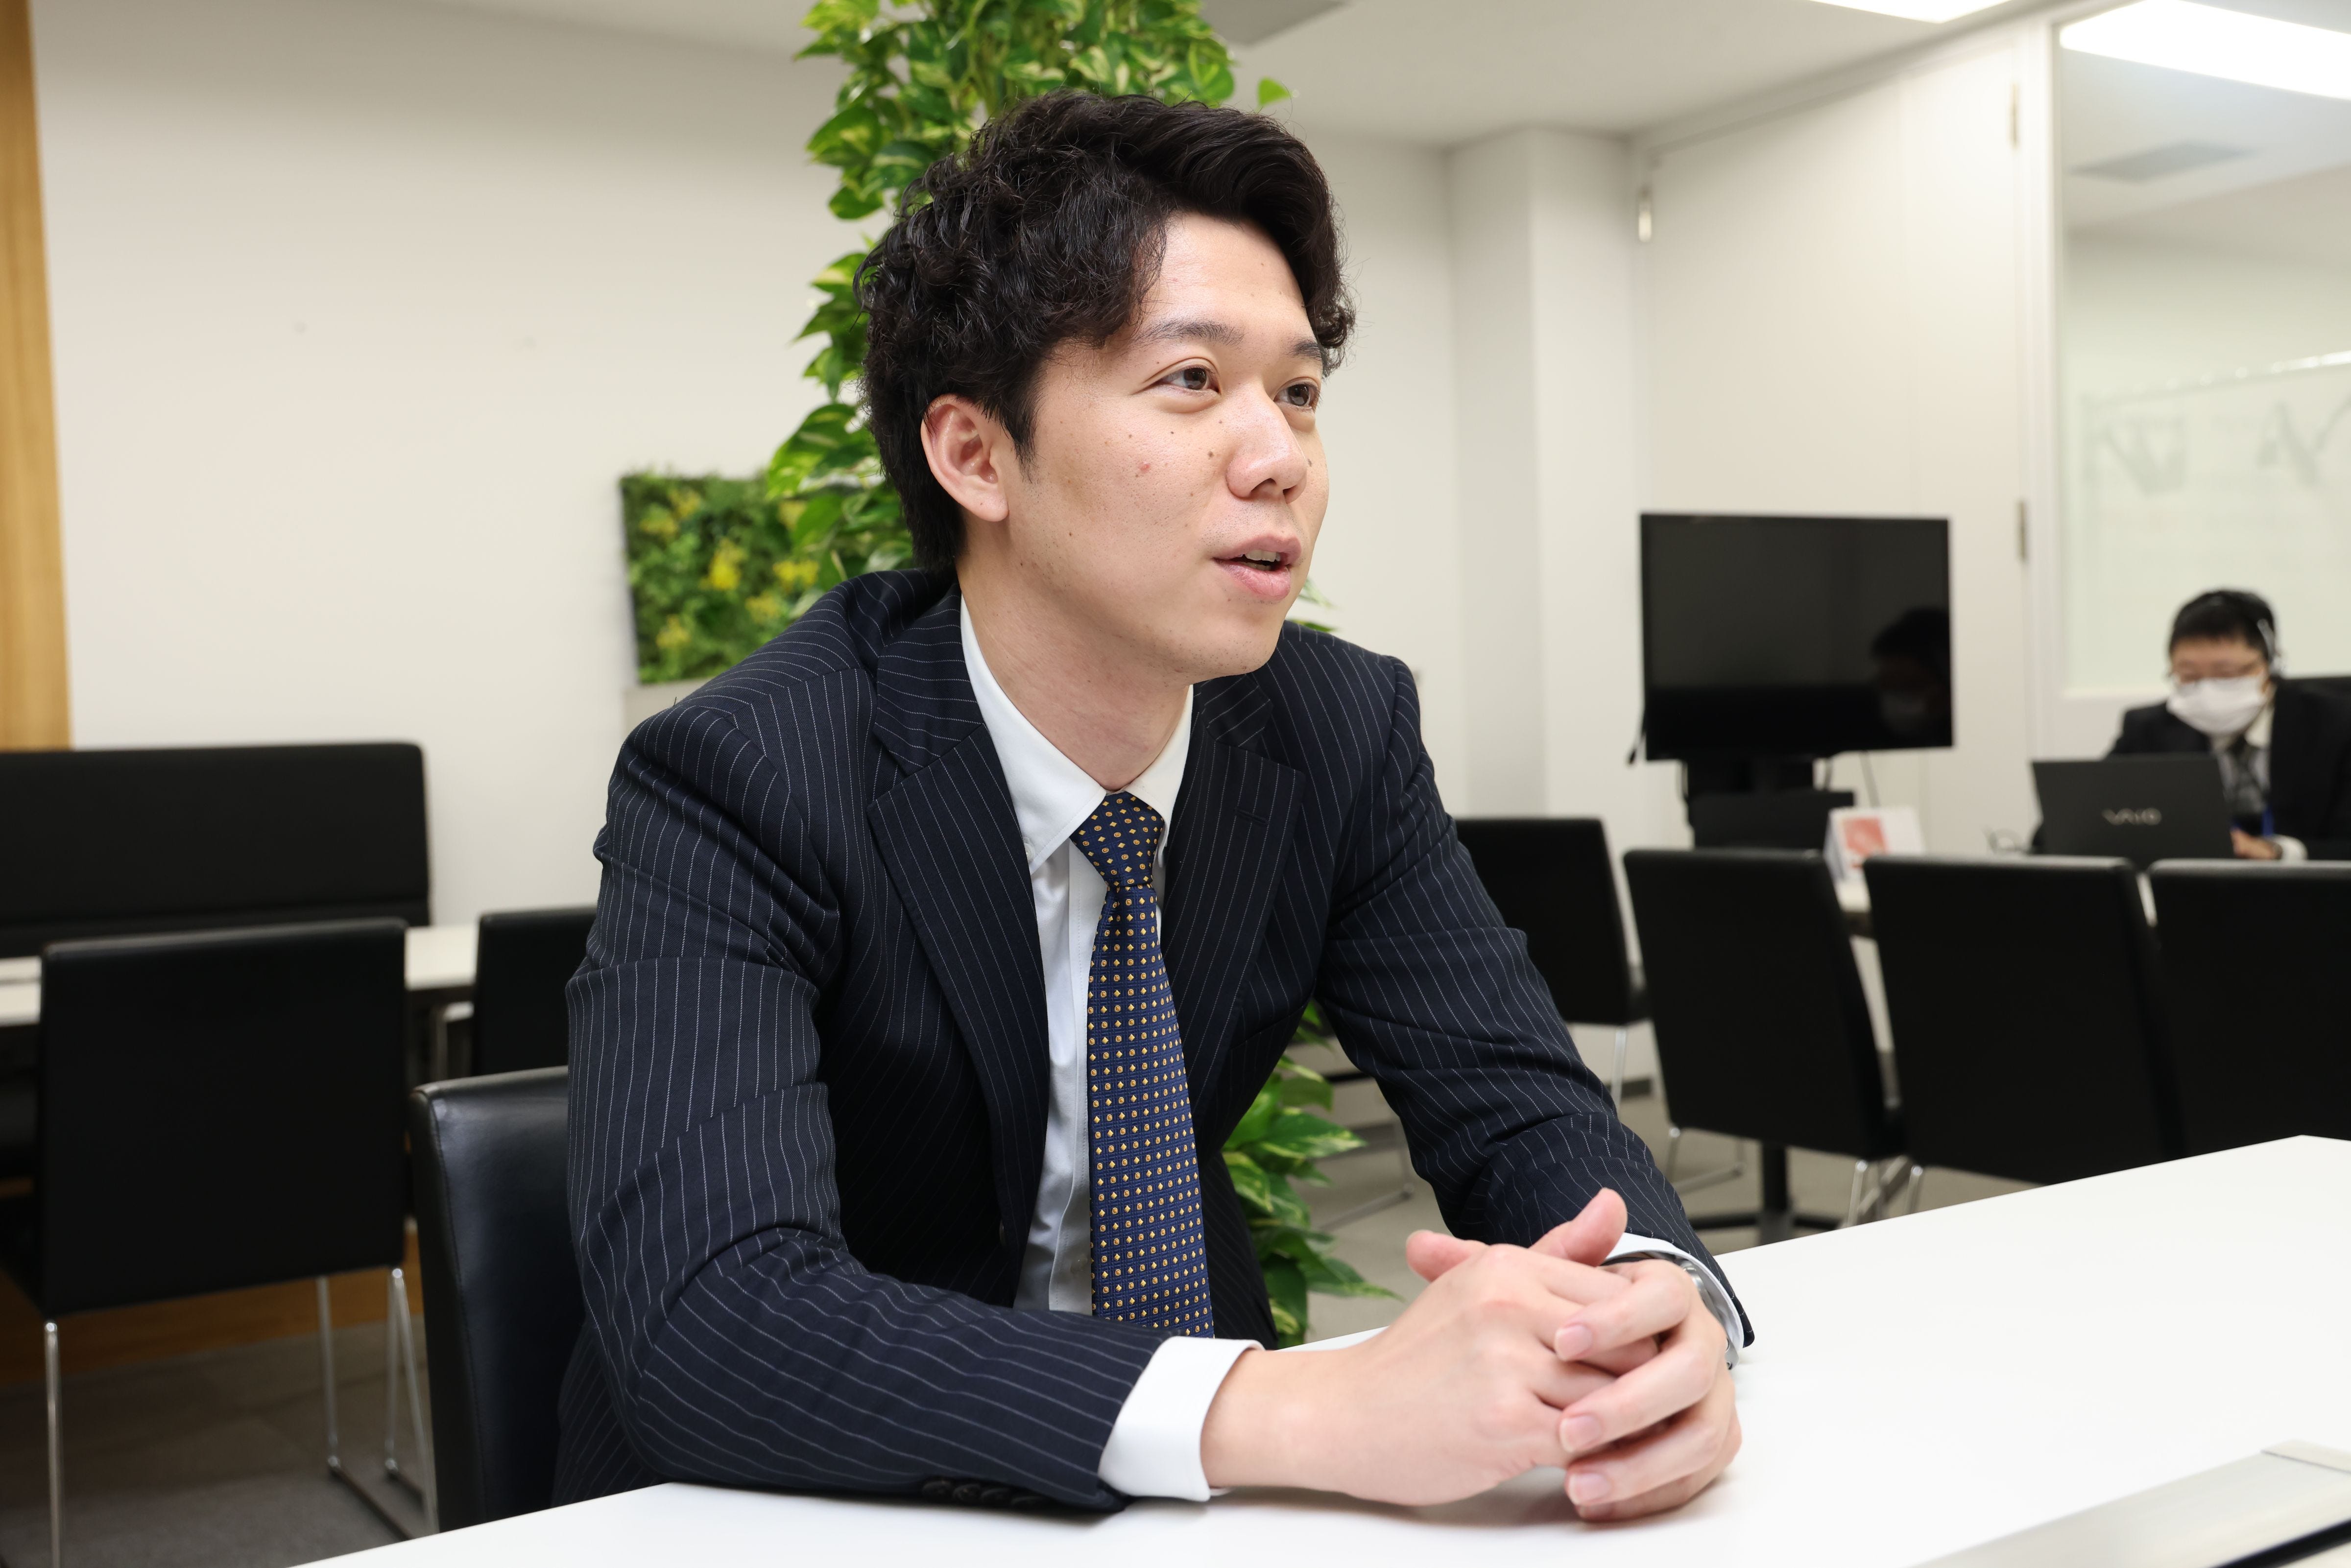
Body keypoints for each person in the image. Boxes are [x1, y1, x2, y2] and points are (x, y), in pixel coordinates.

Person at [556, 92, 1745, 1525]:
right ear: (974, 454)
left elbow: (1515, 1101)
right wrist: (1297, 1407)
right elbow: (715, 1312)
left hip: (1190, 1503)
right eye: (1191, 379)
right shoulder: (748, 771)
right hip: (810, 1494)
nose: (1279, 456)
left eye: (1297, 391)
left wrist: (1646, 1306)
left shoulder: (1335, 728)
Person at [2108, 590, 2351, 860]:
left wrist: (2278, 852)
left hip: (2308, 883)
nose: (2207, 690)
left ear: (2270, 664)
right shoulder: (2147, 730)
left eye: (2227, 675)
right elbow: (2094, 819)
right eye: (2189, 676)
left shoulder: (2337, 725)